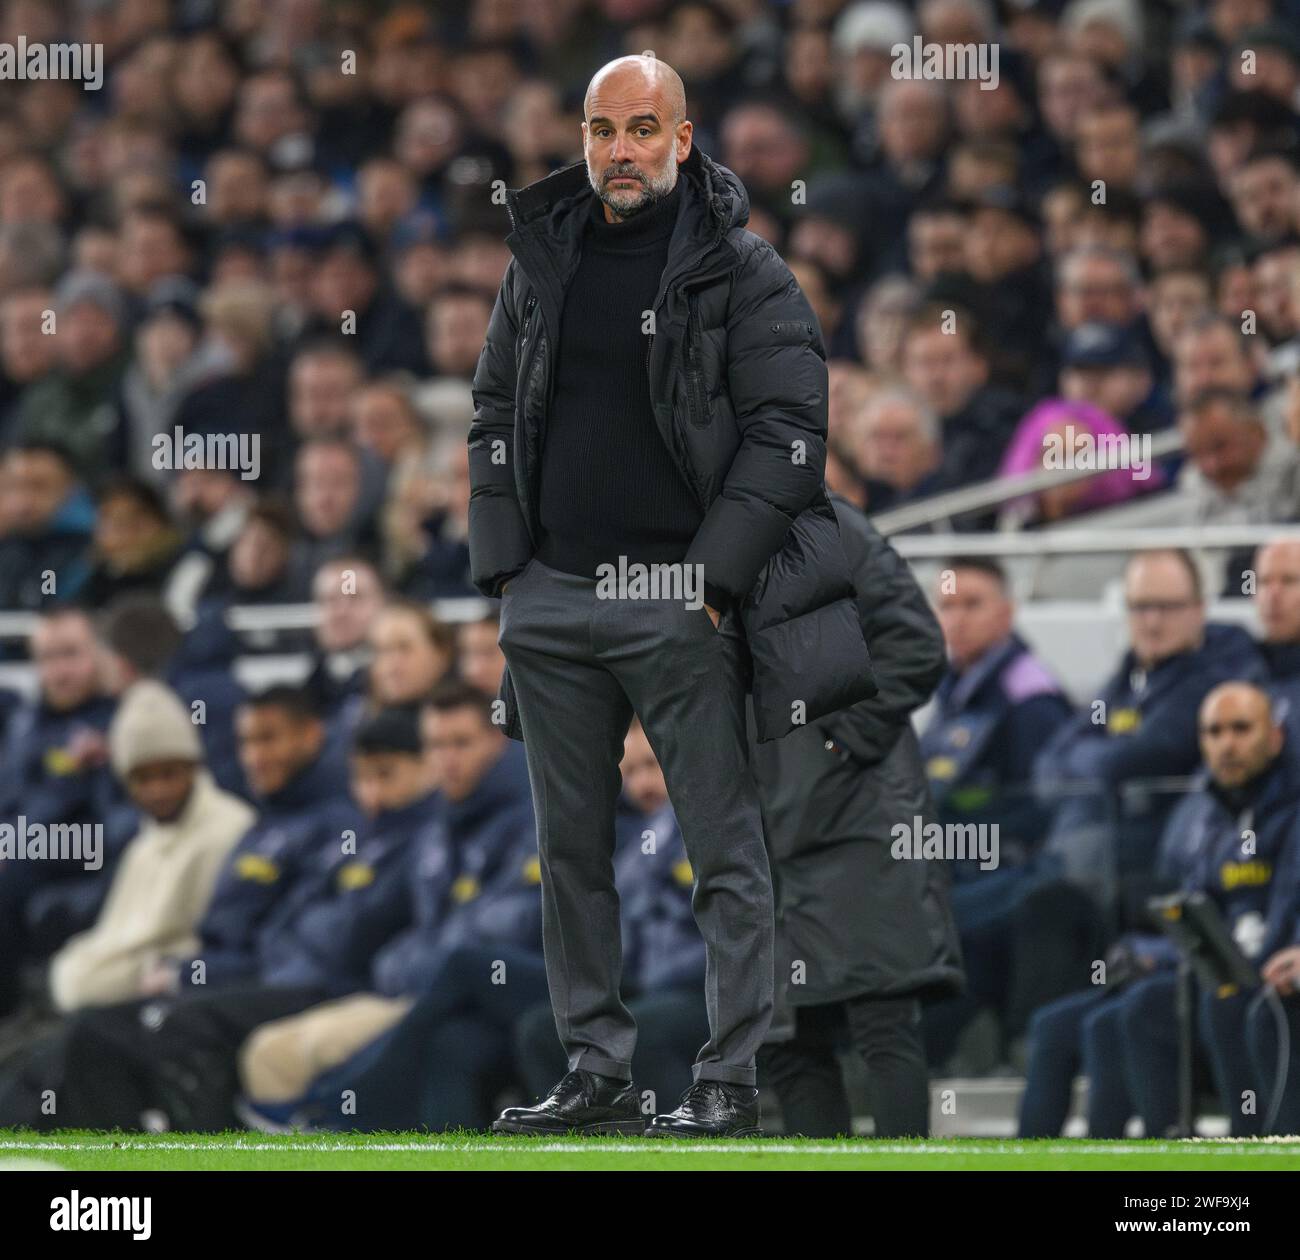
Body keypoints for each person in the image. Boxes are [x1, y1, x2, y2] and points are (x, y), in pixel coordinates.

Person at [469, 55, 873, 1138]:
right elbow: (493, 410)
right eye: (602, 129)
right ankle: (597, 1073)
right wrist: (505, 572)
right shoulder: (539, 258)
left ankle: (730, 1080)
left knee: (721, 850)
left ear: (684, 140)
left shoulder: (745, 270)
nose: (619, 150)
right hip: (550, 599)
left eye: (642, 128)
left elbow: (789, 438)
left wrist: (709, 583)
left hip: (674, 597)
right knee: (569, 857)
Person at [752, 496, 963, 1137]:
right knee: (785, 1045)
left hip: (856, 818)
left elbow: (917, 645)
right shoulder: (685, 535)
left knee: (881, 1020)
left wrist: (838, 742)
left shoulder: (823, 525)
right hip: (759, 828)